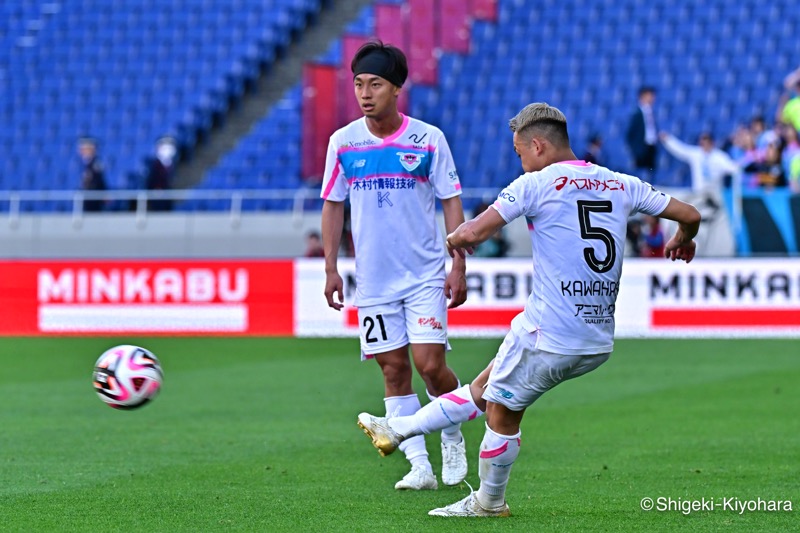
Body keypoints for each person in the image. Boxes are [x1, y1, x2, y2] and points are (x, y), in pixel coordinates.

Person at [356, 102, 701, 517]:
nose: (520, 163)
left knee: (500, 410)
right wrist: (683, 237)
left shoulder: (534, 184)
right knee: (487, 390)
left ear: (537, 146)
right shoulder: (620, 183)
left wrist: (454, 241)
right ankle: (398, 430)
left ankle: (486, 500)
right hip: (595, 337)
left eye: (520, 154)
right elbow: (691, 214)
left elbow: (473, 232)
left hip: (551, 333)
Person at [320, 40, 469, 491]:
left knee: (429, 365)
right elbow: (332, 206)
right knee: (393, 370)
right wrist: (331, 267)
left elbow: (451, 202)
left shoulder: (428, 139)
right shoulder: (343, 142)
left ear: (397, 88)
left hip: (424, 275)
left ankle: (452, 431)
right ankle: (419, 467)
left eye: (376, 84)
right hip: (374, 281)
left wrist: (457, 263)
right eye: (359, 84)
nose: (365, 93)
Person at [659, 131, 740, 256]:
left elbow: (733, 168)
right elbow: (681, 150)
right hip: (699, 195)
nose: (704, 145)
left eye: (706, 142)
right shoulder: (696, 154)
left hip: (715, 197)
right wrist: (668, 140)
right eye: (702, 142)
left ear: (711, 143)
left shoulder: (719, 157)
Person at [626, 86, 658, 180]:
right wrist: (635, 150)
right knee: (640, 176)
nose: (653, 98)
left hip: (651, 146)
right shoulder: (637, 113)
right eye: (650, 95)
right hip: (641, 148)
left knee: (651, 172)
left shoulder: (651, 112)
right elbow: (630, 134)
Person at [146, 136, 178, 211]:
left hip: (167, 195)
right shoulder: (154, 164)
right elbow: (152, 179)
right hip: (157, 196)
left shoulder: (171, 163)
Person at [77, 137, 107, 212]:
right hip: (88, 198)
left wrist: (104, 193)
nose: (81, 151)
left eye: (85, 149)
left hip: (94, 198)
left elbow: (100, 180)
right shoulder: (86, 163)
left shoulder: (96, 163)